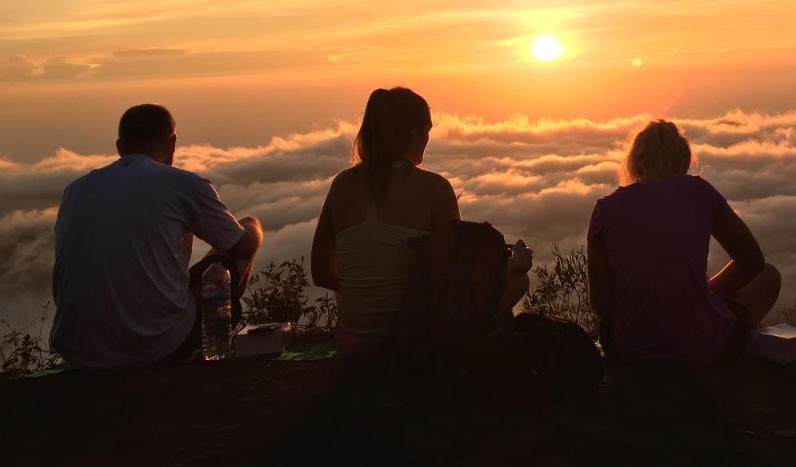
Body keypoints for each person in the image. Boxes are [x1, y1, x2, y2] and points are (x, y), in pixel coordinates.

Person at [310, 87, 533, 358]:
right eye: (427, 131)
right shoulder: (435, 188)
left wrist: (368, 288)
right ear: (413, 134)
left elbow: (321, 273)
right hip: (415, 342)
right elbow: (456, 279)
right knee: (519, 281)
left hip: (352, 343)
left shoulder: (342, 184)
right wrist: (513, 263)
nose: (428, 140)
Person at [51, 104, 264, 369]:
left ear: (120, 147)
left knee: (213, 264)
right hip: (156, 346)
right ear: (172, 143)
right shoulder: (184, 185)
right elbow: (241, 248)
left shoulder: (75, 191)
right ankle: (215, 346)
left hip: (78, 351)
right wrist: (255, 229)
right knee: (239, 243)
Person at [586, 120, 781, 368]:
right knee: (769, 276)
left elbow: (600, 304)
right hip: (701, 350)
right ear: (683, 159)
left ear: (637, 161)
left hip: (632, 351)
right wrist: (705, 291)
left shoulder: (606, 209)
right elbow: (753, 262)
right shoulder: (699, 192)